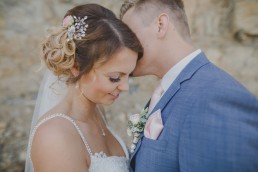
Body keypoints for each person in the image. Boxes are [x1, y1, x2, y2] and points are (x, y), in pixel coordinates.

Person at [120, 0, 258, 172]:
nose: (122, 47)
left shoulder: (214, 99)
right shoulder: (170, 91)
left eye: (128, 36)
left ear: (160, 25)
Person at [25, 3, 143, 172]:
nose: (125, 87)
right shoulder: (54, 136)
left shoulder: (98, 114)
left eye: (128, 75)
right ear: (76, 67)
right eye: (115, 77)